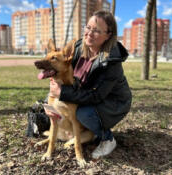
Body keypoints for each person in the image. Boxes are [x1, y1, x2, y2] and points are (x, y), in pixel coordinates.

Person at [45, 10, 132, 159]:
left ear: (108, 35)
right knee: (68, 108)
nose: (89, 33)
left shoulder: (111, 61)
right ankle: (88, 133)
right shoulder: (79, 48)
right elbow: (62, 76)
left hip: (113, 102)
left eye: (97, 30)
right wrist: (50, 101)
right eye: (88, 27)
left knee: (83, 113)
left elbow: (96, 96)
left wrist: (62, 93)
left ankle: (107, 139)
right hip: (88, 95)